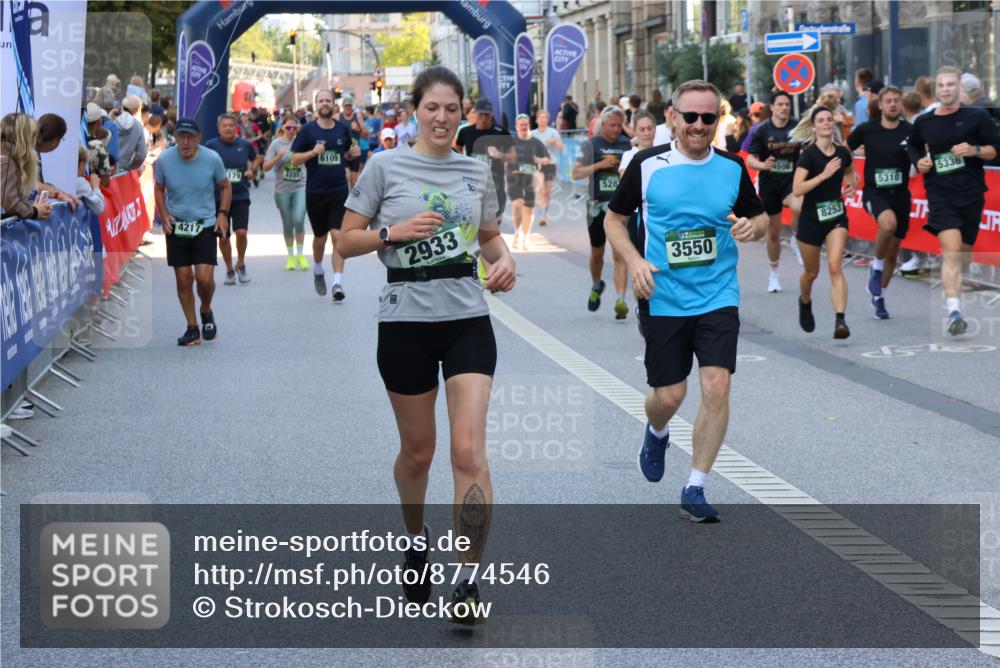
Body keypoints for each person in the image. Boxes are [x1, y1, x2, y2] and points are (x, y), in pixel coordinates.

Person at [338, 66, 516, 624]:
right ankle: (415, 538)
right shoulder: (384, 166)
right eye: (431, 107)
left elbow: (488, 237)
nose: (441, 117)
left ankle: (467, 579)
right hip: (405, 322)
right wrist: (392, 233)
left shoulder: (475, 171)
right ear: (415, 111)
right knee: (420, 453)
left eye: (451, 108)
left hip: (467, 318)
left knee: (469, 453)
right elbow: (346, 240)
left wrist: (504, 259)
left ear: (464, 114)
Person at [604, 80, 767, 523]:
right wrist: (635, 260)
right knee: (670, 396)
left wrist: (758, 228)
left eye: (707, 118)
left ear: (718, 120)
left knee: (717, 385)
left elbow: (760, 216)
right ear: (673, 117)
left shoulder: (733, 167)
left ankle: (695, 486)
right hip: (662, 295)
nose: (698, 126)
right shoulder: (646, 164)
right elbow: (613, 220)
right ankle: (657, 430)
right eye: (689, 117)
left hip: (718, 294)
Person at [908, 66, 1000, 335]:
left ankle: (954, 292)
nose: (946, 89)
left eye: (951, 85)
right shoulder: (925, 122)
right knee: (952, 248)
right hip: (939, 192)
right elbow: (913, 145)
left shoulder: (977, 117)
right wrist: (919, 161)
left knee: (963, 254)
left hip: (971, 193)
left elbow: (996, 148)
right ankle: (954, 310)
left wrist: (975, 150)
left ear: (959, 88)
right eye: (942, 85)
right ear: (936, 90)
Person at [153, 118, 231, 346]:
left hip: (204, 223)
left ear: (198, 138)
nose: (185, 142)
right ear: (175, 137)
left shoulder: (211, 158)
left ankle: (206, 309)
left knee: (204, 279)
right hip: (177, 224)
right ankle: (192, 327)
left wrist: (222, 214)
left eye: (190, 137)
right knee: (183, 277)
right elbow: (159, 188)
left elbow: (225, 185)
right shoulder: (165, 159)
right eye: (181, 137)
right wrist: (164, 214)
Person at [846, 86, 912, 319]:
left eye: (897, 100)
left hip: (901, 194)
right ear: (880, 105)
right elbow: (845, 149)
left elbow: (924, 152)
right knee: (888, 225)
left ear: (901, 105)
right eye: (889, 101)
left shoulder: (910, 130)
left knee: (894, 253)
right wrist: (850, 171)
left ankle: (879, 296)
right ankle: (875, 267)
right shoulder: (867, 129)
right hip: (875, 192)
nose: (893, 104)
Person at [792, 106, 858, 339]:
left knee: (834, 267)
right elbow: (797, 189)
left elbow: (851, 171)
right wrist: (823, 176)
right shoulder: (808, 156)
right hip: (811, 219)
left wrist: (852, 183)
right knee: (811, 273)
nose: (827, 123)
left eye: (830, 119)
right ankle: (805, 301)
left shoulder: (842, 153)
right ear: (814, 126)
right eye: (821, 120)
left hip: (836, 216)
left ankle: (840, 321)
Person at [290, 88, 361, 301]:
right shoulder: (308, 131)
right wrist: (313, 152)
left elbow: (347, 153)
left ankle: (337, 282)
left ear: (333, 105)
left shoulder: (342, 129)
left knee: (338, 236)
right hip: (315, 192)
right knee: (320, 239)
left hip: (338, 190)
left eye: (328, 100)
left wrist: (352, 154)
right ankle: (319, 269)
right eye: (321, 100)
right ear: (316, 105)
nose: (324, 103)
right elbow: (293, 159)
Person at [571, 105, 632, 319]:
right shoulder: (592, 144)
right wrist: (600, 165)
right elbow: (576, 173)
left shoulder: (627, 144)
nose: (616, 129)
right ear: (603, 125)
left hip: (619, 207)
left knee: (619, 253)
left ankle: (621, 301)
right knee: (597, 253)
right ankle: (597, 286)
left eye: (619, 125)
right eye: (612, 125)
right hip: (596, 205)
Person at [747, 92, 803, 292]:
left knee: (799, 206)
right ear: (772, 107)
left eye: (787, 104)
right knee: (773, 232)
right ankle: (774, 274)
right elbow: (750, 160)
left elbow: (808, 149)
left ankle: (797, 236)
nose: (785, 107)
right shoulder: (761, 130)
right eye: (780, 104)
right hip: (769, 184)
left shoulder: (798, 127)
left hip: (791, 181)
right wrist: (763, 164)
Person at [205, 113, 260, 285]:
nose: (228, 128)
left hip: (241, 195)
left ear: (235, 127)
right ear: (219, 128)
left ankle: (241, 263)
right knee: (223, 236)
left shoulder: (244, 145)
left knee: (242, 233)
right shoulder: (210, 146)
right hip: (218, 198)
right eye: (224, 126)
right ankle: (229, 269)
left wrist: (253, 170)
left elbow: (257, 158)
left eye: (231, 125)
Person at [618, 110, 657, 337]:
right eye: (641, 129)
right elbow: (626, 184)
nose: (646, 133)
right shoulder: (630, 155)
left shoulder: (665, 151)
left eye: (649, 128)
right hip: (638, 216)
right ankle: (642, 309)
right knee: (641, 262)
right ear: (635, 131)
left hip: (660, 215)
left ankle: (658, 308)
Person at [263, 115, 309, 271]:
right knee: (288, 223)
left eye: (294, 127)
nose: (291, 130)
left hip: (300, 186)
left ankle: (301, 255)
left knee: (298, 219)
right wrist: (278, 157)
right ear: (282, 128)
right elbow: (265, 167)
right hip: (282, 189)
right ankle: (290, 256)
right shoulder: (276, 144)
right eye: (288, 127)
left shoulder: (302, 142)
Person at [455, 98, 510, 221]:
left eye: (487, 114)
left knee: (495, 219)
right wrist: (462, 161)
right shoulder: (465, 132)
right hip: (472, 182)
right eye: (481, 114)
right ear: (475, 114)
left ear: (491, 115)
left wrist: (500, 155)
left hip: (495, 182)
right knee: (476, 218)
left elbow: (514, 156)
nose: (484, 118)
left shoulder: (501, 132)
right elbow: (457, 148)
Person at [506, 114, 549, 250]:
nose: (524, 127)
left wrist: (539, 160)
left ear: (529, 125)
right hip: (514, 177)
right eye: (521, 125)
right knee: (517, 204)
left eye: (526, 124)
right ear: (516, 126)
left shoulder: (536, 142)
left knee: (529, 210)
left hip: (531, 178)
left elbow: (547, 159)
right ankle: (516, 232)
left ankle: (525, 238)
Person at [1, 114, 52, 220]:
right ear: (25, 138)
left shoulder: (7, 158)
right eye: (34, 136)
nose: (35, 142)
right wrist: (35, 211)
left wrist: (30, 207)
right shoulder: (6, 162)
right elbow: (9, 203)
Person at [530, 109, 563, 226]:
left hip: (550, 163)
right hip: (537, 164)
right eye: (540, 117)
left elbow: (561, 147)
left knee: (547, 191)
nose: (542, 119)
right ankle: (541, 212)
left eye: (545, 117)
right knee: (540, 190)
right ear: (537, 119)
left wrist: (553, 142)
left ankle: (544, 215)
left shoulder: (553, 132)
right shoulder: (533, 133)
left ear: (548, 120)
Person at [340, 97, 370, 186]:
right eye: (346, 105)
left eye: (349, 105)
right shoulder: (338, 116)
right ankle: (346, 197)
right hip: (343, 152)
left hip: (355, 152)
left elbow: (367, 135)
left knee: (354, 181)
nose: (348, 107)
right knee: (346, 176)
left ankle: (353, 198)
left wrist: (358, 129)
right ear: (343, 106)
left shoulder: (357, 116)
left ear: (352, 106)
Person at [116, 95, 148, 172]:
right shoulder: (138, 126)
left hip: (105, 172)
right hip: (123, 171)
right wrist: (130, 167)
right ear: (137, 109)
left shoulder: (112, 120)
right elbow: (141, 154)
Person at [75, 145, 105, 216]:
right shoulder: (80, 182)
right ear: (82, 164)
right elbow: (99, 208)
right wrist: (95, 187)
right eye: (85, 164)